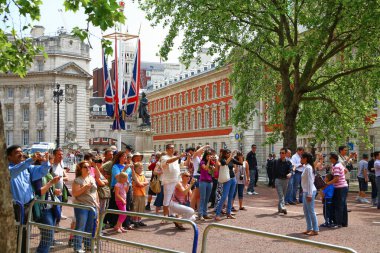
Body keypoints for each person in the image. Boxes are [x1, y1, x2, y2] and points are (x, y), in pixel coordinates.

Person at [8, 145, 51, 253]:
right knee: (15, 233)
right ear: (9, 157)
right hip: (13, 207)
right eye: (17, 152)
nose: (21, 154)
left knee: (26, 232)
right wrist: (30, 160)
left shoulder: (27, 167)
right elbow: (13, 172)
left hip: (27, 206)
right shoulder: (7, 168)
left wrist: (45, 162)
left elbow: (42, 171)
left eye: (21, 151)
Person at [72, 161, 99, 253]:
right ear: (80, 169)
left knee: (91, 227)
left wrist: (97, 202)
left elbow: (96, 192)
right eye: (85, 167)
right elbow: (75, 193)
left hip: (92, 205)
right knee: (80, 226)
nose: (88, 168)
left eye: (89, 167)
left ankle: (88, 245)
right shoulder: (77, 180)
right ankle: (77, 247)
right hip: (81, 206)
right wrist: (84, 188)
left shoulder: (91, 178)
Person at [32, 171, 61, 253]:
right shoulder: (37, 174)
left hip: (51, 208)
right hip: (43, 209)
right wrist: (51, 182)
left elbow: (48, 191)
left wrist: (54, 192)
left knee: (47, 237)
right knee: (48, 236)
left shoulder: (48, 175)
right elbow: (39, 192)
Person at [215, 149, 241, 221]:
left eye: (229, 153)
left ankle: (228, 213)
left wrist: (240, 157)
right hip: (227, 180)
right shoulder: (222, 159)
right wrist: (232, 155)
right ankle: (217, 214)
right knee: (223, 197)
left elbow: (240, 163)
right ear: (224, 154)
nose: (229, 154)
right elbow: (225, 163)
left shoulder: (231, 159)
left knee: (231, 196)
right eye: (227, 153)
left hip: (233, 179)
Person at [161, 144, 185, 218]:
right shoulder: (163, 157)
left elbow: (183, 164)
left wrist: (190, 158)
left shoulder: (176, 157)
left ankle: (173, 214)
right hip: (168, 181)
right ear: (167, 149)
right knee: (167, 199)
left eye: (173, 148)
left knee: (176, 198)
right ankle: (165, 216)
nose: (173, 150)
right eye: (171, 148)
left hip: (177, 180)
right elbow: (169, 161)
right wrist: (179, 157)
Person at [325, 153, 349, 228]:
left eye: (330, 158)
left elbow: (336, 178)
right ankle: (344, 223)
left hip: (339, 188)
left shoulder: (336, 166)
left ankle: (338, 223)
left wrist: (328, 183)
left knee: (338, 206)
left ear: (333, 159)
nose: (330, 160)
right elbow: (345, 171)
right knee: (343, 205)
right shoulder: (339, 165)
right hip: (343, 186)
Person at [300, 152, 319, 236]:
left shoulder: (308, 168)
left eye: (302, 158)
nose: (300, 159)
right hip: (306, 191)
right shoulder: (306, 167)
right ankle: (309, 228)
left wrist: (309, 194)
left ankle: (315, 229)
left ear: (305, 159)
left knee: (311, 211)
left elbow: (310, 182)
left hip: (309, 191)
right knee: (306, 211)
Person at [273, 148, 293, 215]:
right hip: (278, 180)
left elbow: (291, 170)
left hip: (285, 180)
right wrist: (273, 181)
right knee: (281, 195)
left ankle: (280, 209)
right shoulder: (276, 161)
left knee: (283, 195)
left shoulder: (288, 162)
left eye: (283, 153)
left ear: (286, 154)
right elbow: (273, 171)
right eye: (280, 153)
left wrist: (290, 173)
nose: (281, 154)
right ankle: (283, 207)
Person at [198, 150, 214, 220]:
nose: (209, 157)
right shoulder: (202, 162)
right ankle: (200, 214)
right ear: (205, 156)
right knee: (203, 198)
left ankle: (205, 213)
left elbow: (215, 170)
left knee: (207, 199)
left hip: (210, 181)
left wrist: (214, 162)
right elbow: (205, 168)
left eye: (210, 156)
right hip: (203, 182)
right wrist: (209, 161)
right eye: (208, 156)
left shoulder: (211, 162)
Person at [132, 162, 149, 227]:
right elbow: (138, 184)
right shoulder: (135, 175)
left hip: (143, 193)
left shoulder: (142, 175)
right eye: (139, 168)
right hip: (136, 193)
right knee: (136, 207)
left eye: (141, 168)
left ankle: (139, 220)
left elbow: (146, 182)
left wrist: (142, 183)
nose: (141, 169)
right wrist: (142, 183)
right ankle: (135, 221)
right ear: (135, 169)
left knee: (141, 207)